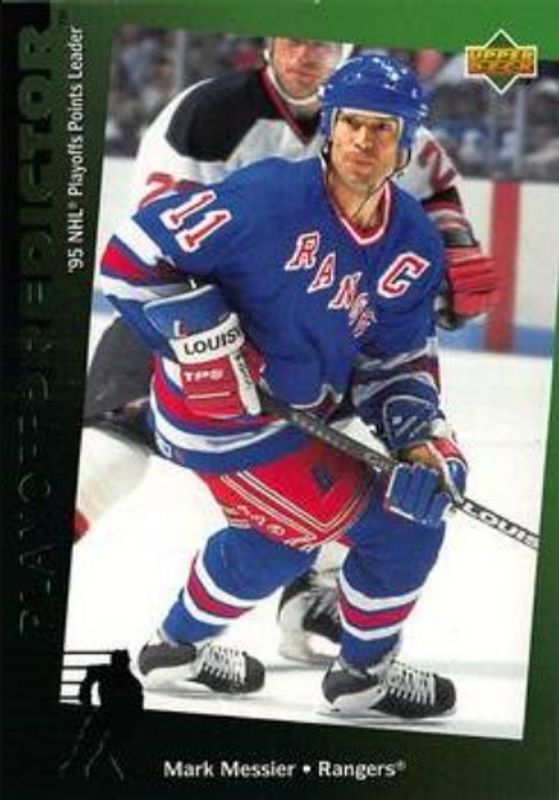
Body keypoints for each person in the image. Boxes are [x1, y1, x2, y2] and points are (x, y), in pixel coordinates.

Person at [79, 36, 494, 663]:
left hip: (308, 361)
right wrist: (203, 333)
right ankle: (361, 668)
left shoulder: (395, 142)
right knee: (108, 459)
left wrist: (422, 439)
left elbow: (404, 328)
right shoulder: (211, 114)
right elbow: (148, 244)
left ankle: (273, 612)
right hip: (198, 323)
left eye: (321, 41)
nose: (305, 53)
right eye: (351, 125)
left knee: (296, 522)